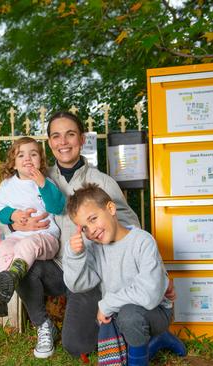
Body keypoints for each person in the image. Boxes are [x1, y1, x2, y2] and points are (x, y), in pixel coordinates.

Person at [10, 111, 149, 360]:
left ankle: (113, 316)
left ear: (82, 139)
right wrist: (14, 223)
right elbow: (8, 213)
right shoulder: (36, 179)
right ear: (49, 142)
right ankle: (44, 324)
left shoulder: (101, 182)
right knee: (19, 267)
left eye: (70, 134)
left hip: (89, 272)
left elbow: (130, 225)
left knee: (76, 345)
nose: (63, 142)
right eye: (56, 136)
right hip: (55, 266)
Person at [63, 183, 186, 365]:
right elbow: (77, 285)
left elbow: (150, 294)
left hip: (155, 311)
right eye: (84, 228)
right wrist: (75, 256)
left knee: (130, 316)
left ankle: (147, 347)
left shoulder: (142, 241)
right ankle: (158, 340)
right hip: (118, 311)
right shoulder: (96, 248)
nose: (92, 230)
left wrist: (108, 303)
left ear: (111, 208)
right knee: (124, 318)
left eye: (93, 219)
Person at [0, 137, 65, 320]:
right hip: (18, 235)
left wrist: (42, 183)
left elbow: (57, 207)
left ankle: (12, 277)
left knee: (26, 245)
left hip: (45, 237)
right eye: (21, 155)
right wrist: (12, 215)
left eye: (33, 154)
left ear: (41, 161)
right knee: (4, 248)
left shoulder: (46, 183)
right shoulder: (7, 185)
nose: (27, 158)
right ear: (13, 163)